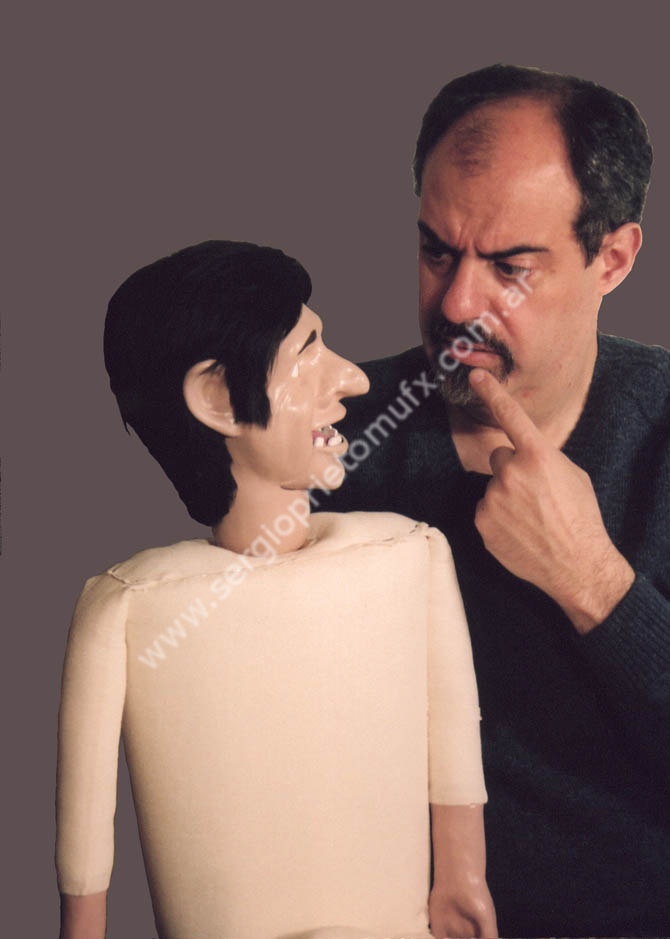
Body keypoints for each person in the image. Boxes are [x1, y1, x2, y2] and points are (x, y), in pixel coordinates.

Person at [56, 241, 497, 939]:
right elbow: (86, 823)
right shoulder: (127, 610)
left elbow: (451, 735)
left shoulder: (411, 555)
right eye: (307, 351)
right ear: (219, 397)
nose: (352, 379)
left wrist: (463, 878)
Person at [326, 65, 670, 938]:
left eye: (510, 267)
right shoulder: (330, 437)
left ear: (613, 258)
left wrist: (595, 583)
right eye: (436, 251)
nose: (456, 302)